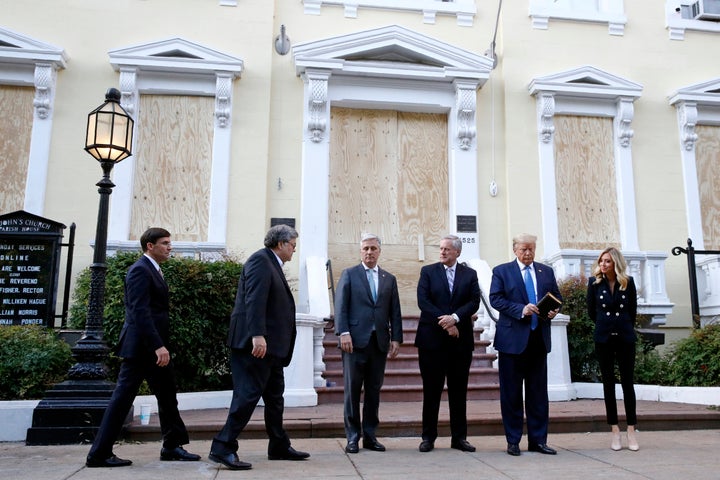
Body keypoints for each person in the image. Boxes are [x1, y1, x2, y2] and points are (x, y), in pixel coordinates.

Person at [86, 227, 201, 467]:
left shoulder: (154, 270)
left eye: (170, 242)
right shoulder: (140, 270)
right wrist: (158, 345)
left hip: (153, 347)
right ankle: (99, 454)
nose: (170, 247)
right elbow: (140, 311)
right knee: (122, 399)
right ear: (150, 245)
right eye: (165, 243)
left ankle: (172, 446)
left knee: (168, 395)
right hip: (141, 348)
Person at [209, 224, 309, 471]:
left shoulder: (271, 263)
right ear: (281, 243)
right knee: (247, 396)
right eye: (293, 246)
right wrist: (257, 335)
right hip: (255, 345)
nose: (294, 250)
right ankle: (223, 446)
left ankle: (278, 445)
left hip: (271, 349)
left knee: (275, 398)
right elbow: (254, 300)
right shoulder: (260, 261)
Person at [489, 233, 561, 457]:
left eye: (531, 249)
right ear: (515, 250)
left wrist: (554, 309)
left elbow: (557, 297)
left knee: (538, 394)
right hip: (512, 342)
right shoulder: (501, 271)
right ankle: (513, 441)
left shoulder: (546, 271)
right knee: (511, 395)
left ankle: (538, 441)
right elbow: (495, 299)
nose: (528, 253)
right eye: (523, 249)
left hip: (538, 341)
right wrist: (520, 309)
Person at [334, 234, 403, 454]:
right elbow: (341, 306)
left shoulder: (388, 278)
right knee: (352, 391)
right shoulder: (350, 274)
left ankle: (370, 436)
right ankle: (353, 436)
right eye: (365, 248)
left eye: (373, 248)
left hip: (379, 343)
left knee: (374, 391)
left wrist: (396, 338)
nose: (369, 252)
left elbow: (395, 311)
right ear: (360, 251)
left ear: (379, 251)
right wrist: (343, 332)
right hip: (354, 342)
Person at [415, 235, 481, 453]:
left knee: (458, 391)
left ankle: (459, 438)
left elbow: (474, 302)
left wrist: (456, 318)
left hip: (460, 344)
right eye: (441, 248)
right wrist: (446, 322)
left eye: (447, 249)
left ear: (458, 253)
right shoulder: (428, 272)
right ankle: (428, 437)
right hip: (431, 342)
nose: (442, 252)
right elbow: (423, 302)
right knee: (431, 391)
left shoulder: (469, 274)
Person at [586, 247, 639, 452]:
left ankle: (631, 430)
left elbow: (632, 311)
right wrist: (606, 326)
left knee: (627, 383)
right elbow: (593, 312)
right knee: (608, 384)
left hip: (625, 337)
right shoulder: (594, 284)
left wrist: (621, 327)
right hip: (604, 338)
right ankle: (615, 430)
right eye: (601, 261)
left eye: (607, 261)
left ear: (615, 263)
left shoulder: (628, 282)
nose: (603, 264)